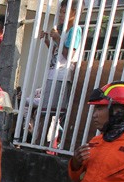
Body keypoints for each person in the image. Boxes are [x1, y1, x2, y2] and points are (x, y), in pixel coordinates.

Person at [37, 0, 83, 146]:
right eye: (60, 12)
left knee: (52, 112)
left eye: (64, 12)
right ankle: (40, 142)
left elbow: (68, 55)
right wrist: (47, 40)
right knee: (46, 111)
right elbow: (56, 53)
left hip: (62, 75)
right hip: (54, 73)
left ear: (74, 13)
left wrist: (57, 38)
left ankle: (45, 143)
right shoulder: (63, 30)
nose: (61, 15)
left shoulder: (75, 30)